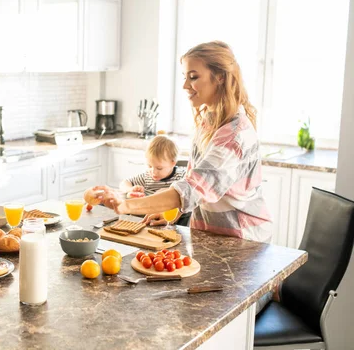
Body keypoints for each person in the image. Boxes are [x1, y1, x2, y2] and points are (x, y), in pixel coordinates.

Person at [91, 40, 272, 243]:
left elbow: (194, 189)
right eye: (185, 77)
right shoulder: (209, 120)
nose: (185, 85)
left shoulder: (234, 135)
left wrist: (125, 205)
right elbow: (195, 181)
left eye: (193, 77)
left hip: (244, 242)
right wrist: (173, 211)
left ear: (220, 77)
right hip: (210, 235)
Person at [118, 135, 190, 226]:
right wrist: (131, 189)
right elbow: (124, 183)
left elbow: (187, 199)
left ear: (173, 163)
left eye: (159, 168)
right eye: (150, 166)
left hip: (171, 222)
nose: (153, 172)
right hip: (146, 220)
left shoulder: (181, 177)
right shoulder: (147, 177)